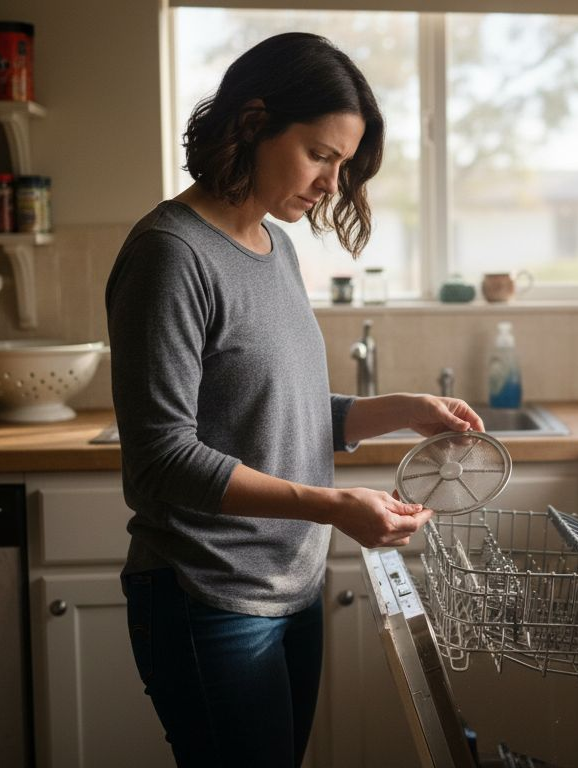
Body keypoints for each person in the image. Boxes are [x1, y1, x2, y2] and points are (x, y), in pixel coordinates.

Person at [104, 32, 483, 768]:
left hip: (287, 587)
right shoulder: (170, 254)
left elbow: (285, 407)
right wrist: (334, 507)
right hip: (206, 596)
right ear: (251, 123)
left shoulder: (272, 246)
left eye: (342, 165)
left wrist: (399, 409)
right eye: (321, 155)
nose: (331, 186)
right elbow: (161, 460)